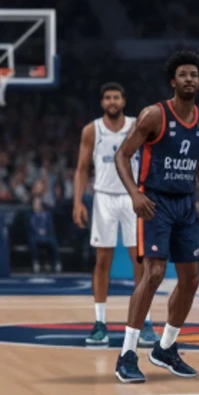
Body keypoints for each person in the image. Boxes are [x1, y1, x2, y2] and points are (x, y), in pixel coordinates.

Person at [109, 52, 199, 385]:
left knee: (192, 279)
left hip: (186, 204)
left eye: (194, 75)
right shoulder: (153, 115)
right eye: (183, 75)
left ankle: (166, 348)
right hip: (155, 202)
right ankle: (127, 354)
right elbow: (122, 155)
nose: (189, 79)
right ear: (172, 81)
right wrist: (134, 194)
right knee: (155, 272)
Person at [72, 82, 152, 347]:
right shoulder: (92, 130)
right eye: (107, 98)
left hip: (133, 198)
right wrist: (77, 202)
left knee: (140, 262)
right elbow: (82, 168)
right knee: (102, 262)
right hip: (104, 197)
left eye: (116, 97)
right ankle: (100, 323)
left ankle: (145, 321)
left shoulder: (137, 126)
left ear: (123, 101)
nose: (112, 102)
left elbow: (152, 159)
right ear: (102, 102)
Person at [26, 191, 59, 273]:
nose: (37, 204)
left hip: (46, 235)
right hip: (35, 235)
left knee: (53, 241)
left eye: (38, 203)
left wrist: (46, 232)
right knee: (33, 241)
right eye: (35, 203)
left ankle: (56, 262)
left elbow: (51, 227)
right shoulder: (30, 214)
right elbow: (28, 227)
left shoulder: (47, 214)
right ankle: (35, 262)